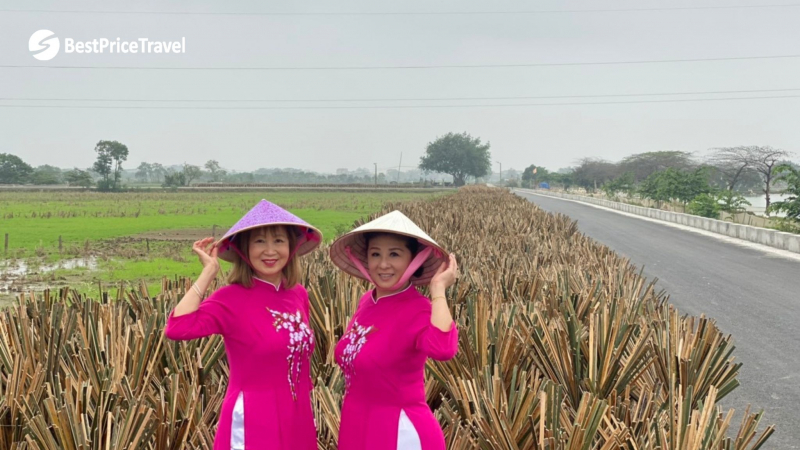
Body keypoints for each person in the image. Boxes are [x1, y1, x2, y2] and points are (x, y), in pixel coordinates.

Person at [164, 199, 321, 450]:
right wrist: (208, 273)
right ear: (244, 249)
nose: (270, 251)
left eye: (278, 240)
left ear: (291, 247)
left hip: (297, 414)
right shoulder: (231, 298)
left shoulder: (298, 294)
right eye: (259, 241)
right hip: (253, 420)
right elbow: (177, 328)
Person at [329, 210, 459, 450]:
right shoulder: (367, 301)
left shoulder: (418, 309)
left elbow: (443, 349)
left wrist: (438, 290)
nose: (383, 264)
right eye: (375, 254)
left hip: (399, 432)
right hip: (356, 425)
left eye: (395, 254)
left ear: (414, 260)